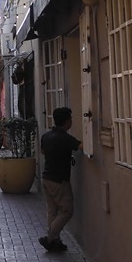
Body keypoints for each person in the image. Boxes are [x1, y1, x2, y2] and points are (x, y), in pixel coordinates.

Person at [38, 107, 83, 253]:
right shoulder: (65, 138)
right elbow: (81, 147)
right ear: (66, 121)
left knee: (52, 210)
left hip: (47, 177)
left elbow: (43, 151)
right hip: (59, 180)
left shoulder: (46, 136)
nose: (72, 121)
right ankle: (50, 237)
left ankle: (55, 241)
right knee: (67, 211)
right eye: (70, 118)